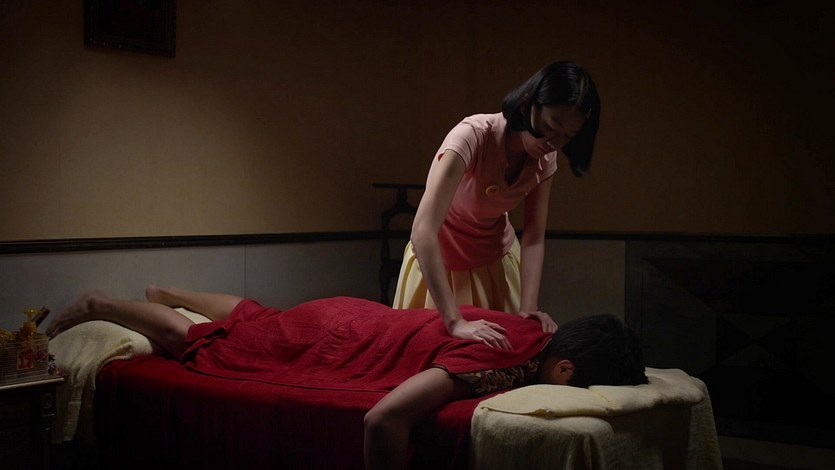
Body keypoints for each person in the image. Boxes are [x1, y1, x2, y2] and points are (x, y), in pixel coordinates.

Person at [47, 285, 646, 470]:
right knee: (205, 343)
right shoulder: (499, 363)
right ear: (563, 368)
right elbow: (383, 419)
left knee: (262, 319)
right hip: (338, 340)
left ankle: (168, 290)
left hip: (350, 316)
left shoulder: (534, 330)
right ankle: (103, 304)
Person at [394, 61, 601, 350]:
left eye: (568, 136)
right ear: (529, 104)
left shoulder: (545, 157)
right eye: (552, 126)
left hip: (495, 265)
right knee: (434, 357)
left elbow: (533, 237)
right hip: (439, 266)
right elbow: (423, 230)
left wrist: (528, 308)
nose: (554, 142)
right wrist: (454, 321)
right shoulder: (472, 136)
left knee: (502, 359)